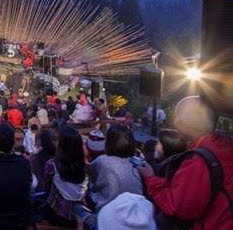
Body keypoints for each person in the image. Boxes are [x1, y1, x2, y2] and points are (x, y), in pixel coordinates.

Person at [135, 96, 233, 229]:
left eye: (176, 116)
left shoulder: (200, 160)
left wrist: (150, 178)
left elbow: (178, 207)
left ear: (182, 120)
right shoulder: (224, 146)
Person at [89, 124, 143, 210]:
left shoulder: (101, 161)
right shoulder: (139, 162)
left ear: (108, 142)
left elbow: (91, 182)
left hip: (107, 210)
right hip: (137, 211)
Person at [43, 125, 88, 228]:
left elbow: (47, 186)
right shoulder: (86, 166)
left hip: (57, 214)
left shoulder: (51, 165)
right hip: (79, 214)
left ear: (61, 145)